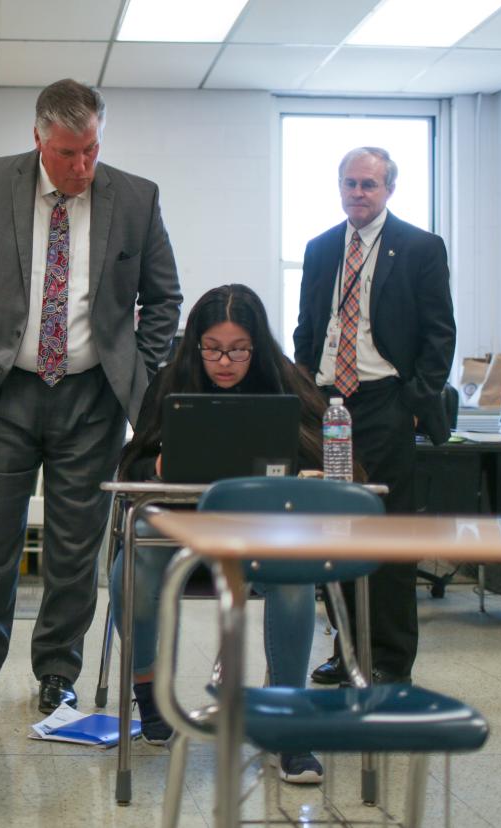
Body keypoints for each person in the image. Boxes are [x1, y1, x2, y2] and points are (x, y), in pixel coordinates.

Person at [0, 78, 182, 713]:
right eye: (68, 153)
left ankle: (57, 672)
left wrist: (135, 372)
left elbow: (164, 299)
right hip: (2, 394)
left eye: (91, 150)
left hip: (92, 399)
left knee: (73, 548)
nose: (82, 166)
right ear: (37, 138)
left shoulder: (136, 198)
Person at [111, 285, 329, 782]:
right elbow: (132, 463)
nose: (224, 362)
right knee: (133, 565)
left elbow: (331, 457)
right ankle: (150, 695)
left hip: (259, 532)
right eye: (212, 348)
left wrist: (300, 472)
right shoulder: (171, 380)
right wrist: (159, 463)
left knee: (296, 575)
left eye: (237, 350)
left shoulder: (285, 381)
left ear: (257, 347)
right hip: (179, 528)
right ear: (195, 344)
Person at [293, 147, 456, 686]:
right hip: (329, 405)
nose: (357, 193)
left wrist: (415, 403)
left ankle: (388, 660)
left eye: (368, 184)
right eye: (349, 183)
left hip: (386, 401)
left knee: (386, 537)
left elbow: (439, 333)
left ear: (388, 190)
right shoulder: (320, 249)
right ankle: (347, 651)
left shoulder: (419, 248)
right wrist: (302, 392)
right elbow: (306, 327)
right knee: (337, 532)